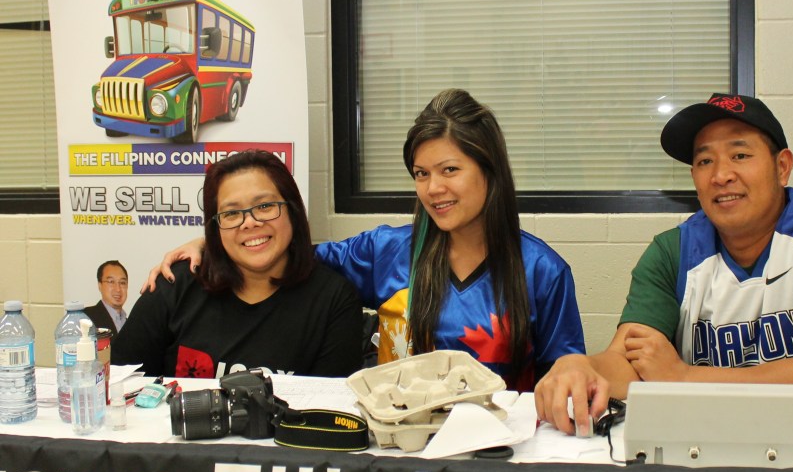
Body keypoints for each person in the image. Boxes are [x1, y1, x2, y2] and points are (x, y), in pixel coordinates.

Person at [143, 89, 586, 390]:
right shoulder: (387, 251)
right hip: (400, 448)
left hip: (499, 454)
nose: (433, 189)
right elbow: (281, 251)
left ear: (489, 171)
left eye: (450, 170)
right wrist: (212, 244)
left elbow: (564, 377)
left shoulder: (542, 272)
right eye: (421, 174)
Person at [535, 93, 793, 436]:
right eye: (704, 162)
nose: (721, 175)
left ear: (782, 167)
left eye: (740, 155)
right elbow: (628, 362)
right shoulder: (673, 251)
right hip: (707, 436)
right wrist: (583, 367)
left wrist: (684, 377)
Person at [112, 149, 362, 378]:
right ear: (215, 226)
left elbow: (329, 414)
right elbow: (118, 386)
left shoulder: (334, 301)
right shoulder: (173, 285)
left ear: (293, 211)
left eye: (265, 206)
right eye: (231, 213)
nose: (249, 222)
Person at [85, 260, 129, 336]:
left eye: (122, 283)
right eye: (111, 282)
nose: (118, 289)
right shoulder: (86, 318)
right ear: (100, 285)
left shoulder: (132, 323)